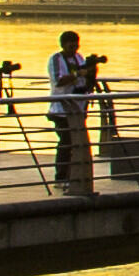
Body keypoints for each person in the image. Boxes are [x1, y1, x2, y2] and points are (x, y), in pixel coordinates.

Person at [46, 29, 100, 175]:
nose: (74, 50)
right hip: (61, 109)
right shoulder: (56, 59)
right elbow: (58, 81)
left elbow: (86, 83)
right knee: (66, 141)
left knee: (76, 142)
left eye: (76, 46)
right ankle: (62, 175)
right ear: (63, 45)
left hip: (78, 107)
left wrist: (91, 72)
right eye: (71, 46)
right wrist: (77, 74)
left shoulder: (79, 58)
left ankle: (74, 174)